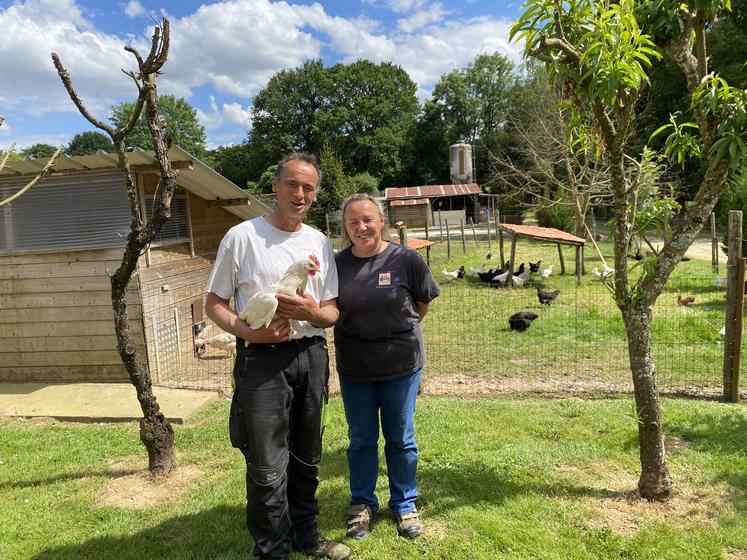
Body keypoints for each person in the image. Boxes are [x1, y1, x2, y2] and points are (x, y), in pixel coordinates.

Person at [205, 153, 352, 560]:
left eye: (308, 187)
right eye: (292, 184)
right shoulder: (242, 237)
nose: (300, 194)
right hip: (261, 362)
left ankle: (307, 537)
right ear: (275, 186)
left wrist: (311, 314)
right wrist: (249, 332)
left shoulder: (319, 241)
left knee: (307, 455)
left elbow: (331, 310)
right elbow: (214, 302)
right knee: (268, 462)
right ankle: (272, 550)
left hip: (311, 355)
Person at [333, 193, 440, 541]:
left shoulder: (407, 260)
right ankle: (362, 504)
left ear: (381, 220)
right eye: (353, 221)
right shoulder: (337, 264)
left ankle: (404, 503)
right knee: (361, 439)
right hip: (355, 367)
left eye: (368, 219)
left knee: (401, 437)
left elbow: (422, 304)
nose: (361, 227)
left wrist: (395, 331)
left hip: (401, 365)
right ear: (345, 227)